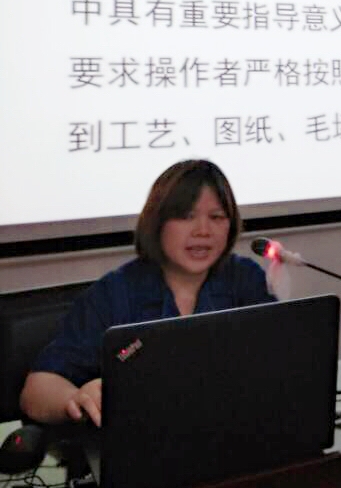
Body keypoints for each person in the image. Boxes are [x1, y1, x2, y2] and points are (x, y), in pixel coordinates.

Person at [20, 159, 274, 427]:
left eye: (217, 217)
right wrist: (75, 399)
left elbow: (278, 357)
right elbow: (37, 388)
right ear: (157, 222)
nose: (203, 231)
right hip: (143, 439)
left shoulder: (245, 279)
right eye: (186, 216)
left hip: (231, 430)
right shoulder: (116, 292)